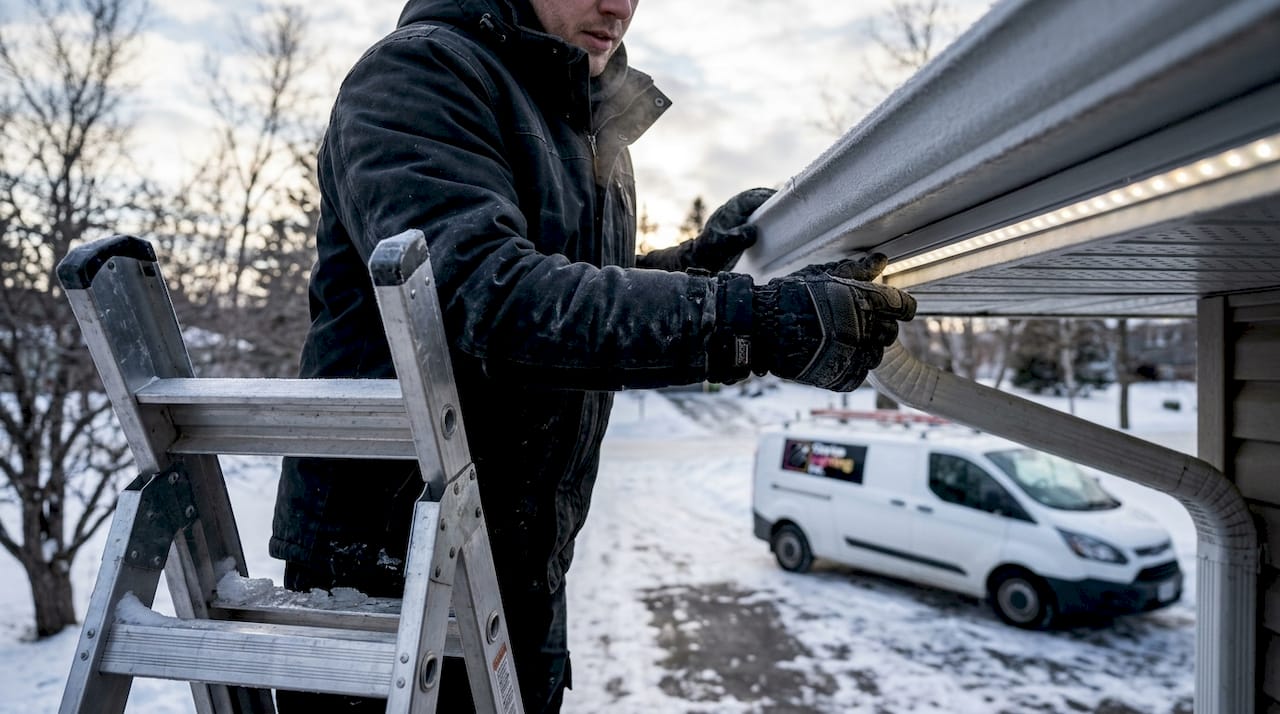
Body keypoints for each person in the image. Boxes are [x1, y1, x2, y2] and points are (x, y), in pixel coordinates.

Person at [269, 0, 917, 711]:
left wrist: (700, 264)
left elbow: (574, 287)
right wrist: (746, 323)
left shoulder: (583, 125)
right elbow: (495, 302)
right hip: (387, 578)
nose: (620, 6)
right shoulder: (422, 74)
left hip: (522, 570)